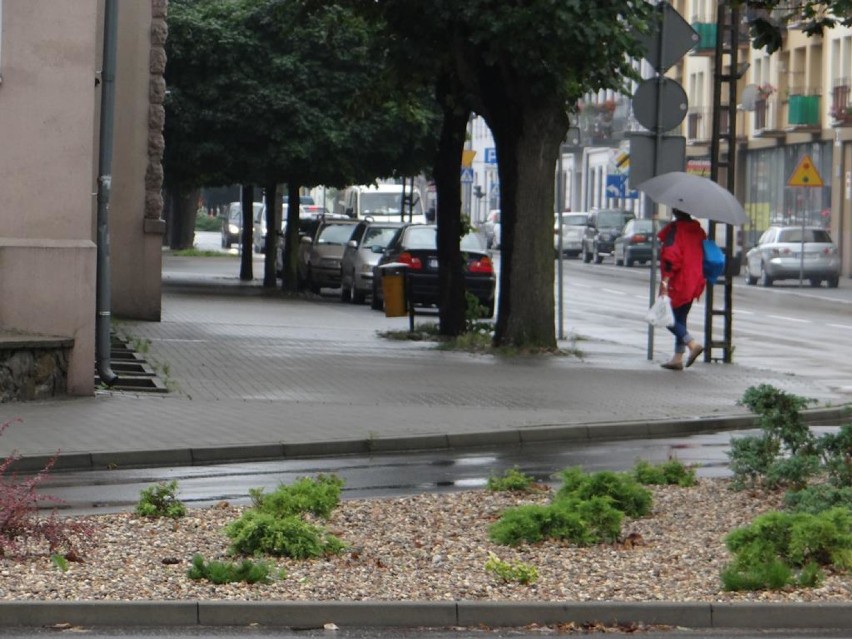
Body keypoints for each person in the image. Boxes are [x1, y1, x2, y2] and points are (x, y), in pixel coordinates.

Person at [658, 208, 707, 371]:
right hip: (695, 280)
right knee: (681, 318)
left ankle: (692, 344)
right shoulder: (698, 230)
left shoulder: (675, 229)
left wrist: (666, 280)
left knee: (666, 318)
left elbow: (671, 257)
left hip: (678, 281)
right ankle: (677, 358)